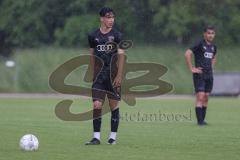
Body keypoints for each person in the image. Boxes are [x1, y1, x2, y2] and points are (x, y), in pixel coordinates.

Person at [85, 7, 125, 145]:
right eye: (108, 17)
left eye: (113, 17)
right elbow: (91, 55)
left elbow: (121, 56)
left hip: (113, 75)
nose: (111, 20)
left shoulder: (117, 35)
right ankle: (96, 137)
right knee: (96, 105)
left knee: (114, 106)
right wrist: (92, 72)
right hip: (98, 77)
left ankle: (112, 137)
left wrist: (119, 76)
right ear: (101, 18)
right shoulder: (92, 36)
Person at [185, 25, 217, 126]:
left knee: (206, 97)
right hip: (200, 75)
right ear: (204, 34)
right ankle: (200, 122)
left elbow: (214, 57)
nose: (210, 35)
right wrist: (192, 68)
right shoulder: (199, 43)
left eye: (212, 33)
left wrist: (211, 67)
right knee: (200, 96)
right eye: (209, 33)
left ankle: (202, 120)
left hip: (209, 75)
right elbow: (187, 53)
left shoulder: (213, 47)